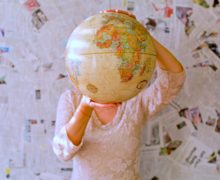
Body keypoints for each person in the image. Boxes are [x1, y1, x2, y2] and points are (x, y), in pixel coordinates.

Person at [52, 12, 186, 180]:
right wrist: (87, 106)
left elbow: (174, 78)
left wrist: (141, 36)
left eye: (116, 56)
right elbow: (62, 151)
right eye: (102, 55)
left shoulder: (136, 100)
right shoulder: (72, 99)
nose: (107, 61)